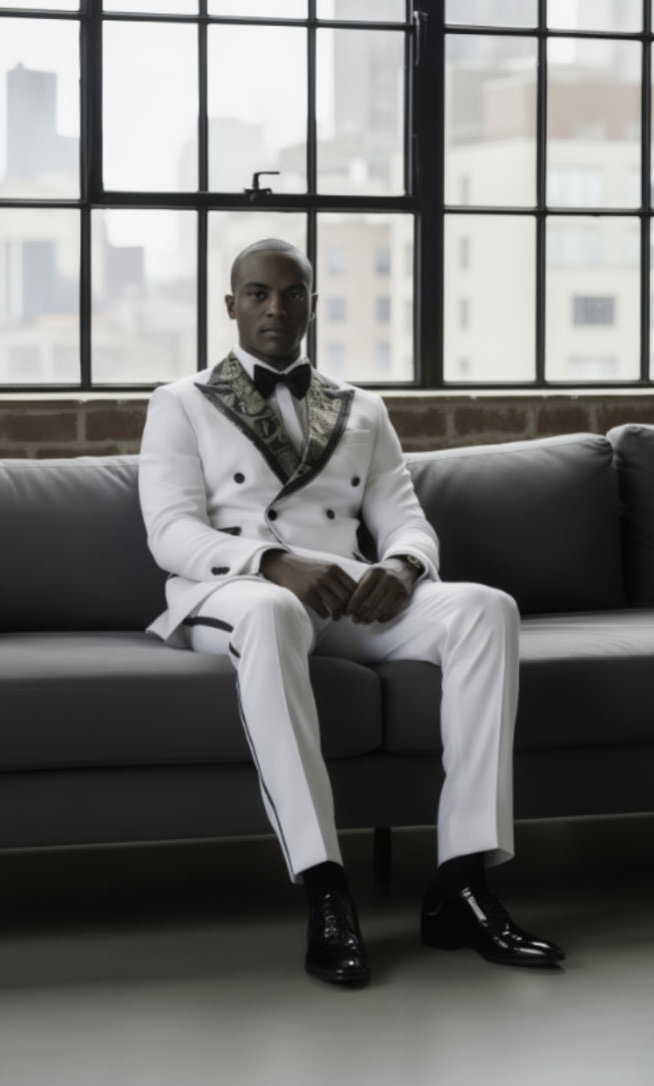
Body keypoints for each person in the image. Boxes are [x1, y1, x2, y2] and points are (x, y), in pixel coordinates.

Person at [138, 238, 564, 986]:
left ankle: (461, 884)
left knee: (485, 608)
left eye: (292, 293)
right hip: (236, 589)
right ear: (231, 304)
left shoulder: (361, 407)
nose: (276, 307)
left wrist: (402, 566)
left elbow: (405, 518)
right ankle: (326, 889)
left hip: (343, 591)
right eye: (259, 293)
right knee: (271, 614)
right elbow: (170, 532)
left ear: (312, 304)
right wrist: (272, 562)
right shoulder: (181, 402)